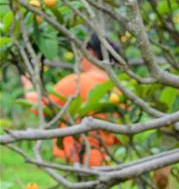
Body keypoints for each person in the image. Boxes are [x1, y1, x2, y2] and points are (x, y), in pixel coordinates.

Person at [22, 33, 120, 167]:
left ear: (90, 52)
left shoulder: (77, 82)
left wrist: (28, 86)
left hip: (76, 157)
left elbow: (39, 107)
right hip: (107, 159)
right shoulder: (119, 88)